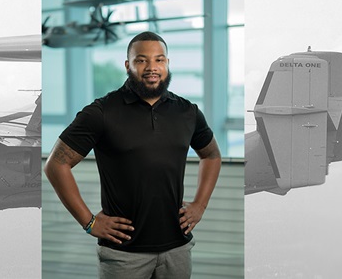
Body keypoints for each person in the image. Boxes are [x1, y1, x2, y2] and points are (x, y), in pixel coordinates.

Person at [44, 31, 222, 278]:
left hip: (178, 249)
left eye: (159, 60)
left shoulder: (187, 112)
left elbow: (211, 155)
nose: (152, 67)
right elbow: (56, 165)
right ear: (128, 65)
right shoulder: (101, 112)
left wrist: (200, 205)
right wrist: (89, 222)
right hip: (123, 255)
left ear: (167, 64)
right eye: (141, 60)